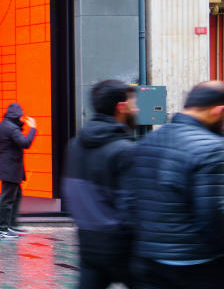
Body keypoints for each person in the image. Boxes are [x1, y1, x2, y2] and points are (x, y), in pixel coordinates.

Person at [128, 81, 224, 288]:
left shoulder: (147, 141)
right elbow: (212, 216)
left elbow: (128, 201)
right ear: (218, 110)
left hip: (148, 260)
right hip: (195, 262)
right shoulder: (213, 148)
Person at [62, 79, 137, 289]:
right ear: (120, 107)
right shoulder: (124, 150)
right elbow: (131, 206)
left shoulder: (74, 145)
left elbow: (70, 192)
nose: (136, 108)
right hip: (123, 247)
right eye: (133, 103)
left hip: (88, 243)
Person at [0, 102, 37, 238]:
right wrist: (32, 128)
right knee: (7, 199)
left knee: (15, 195)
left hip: (5, 167)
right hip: (11, 168)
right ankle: (0, 228)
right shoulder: (12, 129)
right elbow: (25, 143)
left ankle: (10, 224)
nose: (22, 119)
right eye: (21, 117)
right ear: (17, 115)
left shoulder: (0, 126)